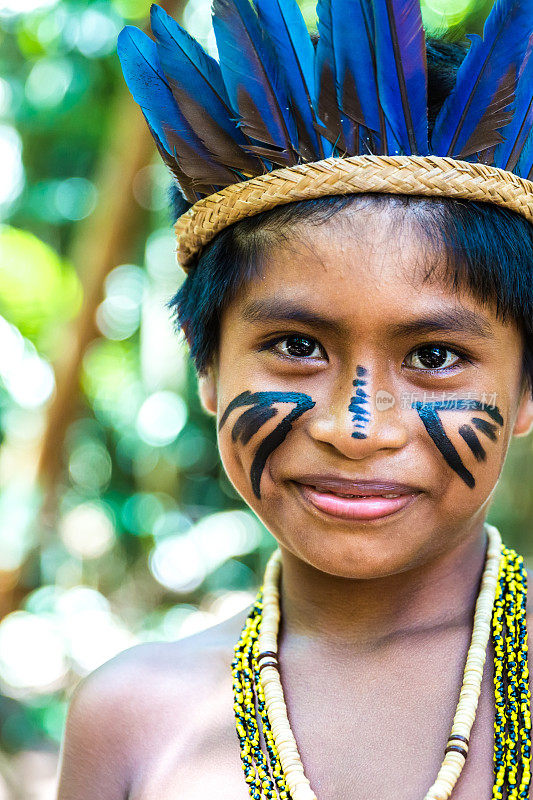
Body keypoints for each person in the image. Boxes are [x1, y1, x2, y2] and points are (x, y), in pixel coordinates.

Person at [56, 1, 533, 798]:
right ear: (207, 368)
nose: (358, 429)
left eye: (436, 356)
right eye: (295, 347)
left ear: (525, 390)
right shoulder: (130, 719)